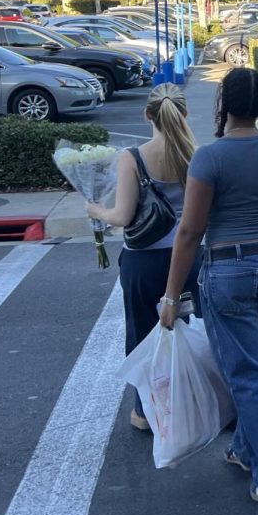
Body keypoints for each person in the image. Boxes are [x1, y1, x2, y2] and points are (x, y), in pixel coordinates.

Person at [159, 67, 258, 506]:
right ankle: (245, 449)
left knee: (245, 374)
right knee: (248, 364)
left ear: (223, 107)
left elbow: (190, 232)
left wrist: (171, 297)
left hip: (228, 272)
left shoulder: (210, 158)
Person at [87, 83, 201, 432]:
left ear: (147, 115)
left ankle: (146, 411)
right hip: (188, 258)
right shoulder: (196, 155)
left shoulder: (133, 158)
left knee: (143, 335)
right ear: (184, 114)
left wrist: (97, 211)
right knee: (180, 328)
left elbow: (122, 216)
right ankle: (186, 400)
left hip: (144, 262)